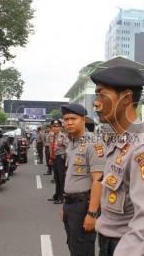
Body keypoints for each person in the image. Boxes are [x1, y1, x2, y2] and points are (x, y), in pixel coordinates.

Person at [91, 65, 144, 256]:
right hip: (108, 243)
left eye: (101, 94)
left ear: (125, 97)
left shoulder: (143, 148)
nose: (96, 103)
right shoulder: (118, 142)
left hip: (128, 248)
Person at [59, 103, 105, 256]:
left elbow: (98, 180)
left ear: (83, 120)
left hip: (83, 206)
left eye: (73, 118)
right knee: (73, 246)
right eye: (66, 119)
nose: (69, 122)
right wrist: (65, 206)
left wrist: (92, 213)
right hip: (70, 205)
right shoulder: (71, 144)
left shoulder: (94, 144)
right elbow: (71, 177)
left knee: (83, 249)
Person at [48, 120, 68, 204]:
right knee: (56, 178)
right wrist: (51, 158)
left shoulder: (63, 137)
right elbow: (51, 149)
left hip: (61, 159)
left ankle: (61, 197)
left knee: (61, 179)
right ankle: (56, 195)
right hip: (54, 158)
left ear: (60, 128)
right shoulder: (52, 137)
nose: (55, 128)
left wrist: (66, 160)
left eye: (57, 126)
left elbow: (68, 148)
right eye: (53, 126)